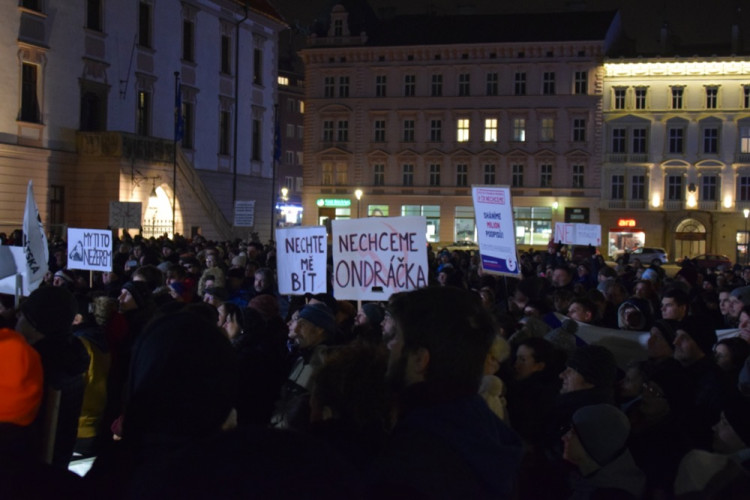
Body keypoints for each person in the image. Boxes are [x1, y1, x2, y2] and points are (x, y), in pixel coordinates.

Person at [368, 286, 523, 499]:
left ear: (420, 359)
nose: (389, 346)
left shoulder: (414, 458)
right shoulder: (485, 430)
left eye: (397, 337)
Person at [15, 286, 90, 469]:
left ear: (36, 325)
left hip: (28, 476)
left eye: (23, 316)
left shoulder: (39, 370)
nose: (17, 320)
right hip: (51, 472)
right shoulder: (67, 357)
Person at [270, 302, 337, 429]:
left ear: (319, 330)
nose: (295, 329)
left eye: (302, 325)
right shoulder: (301, 358)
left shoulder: (324, 364)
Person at [562, 404, 646, 499]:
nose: (564, 437)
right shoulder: (586, 477)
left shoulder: (611, 495)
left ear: (593, 443)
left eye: (572, 433)